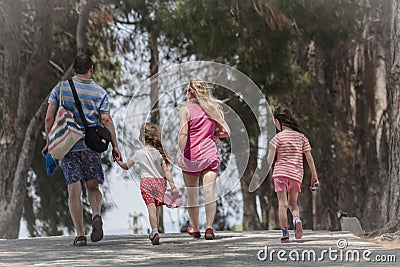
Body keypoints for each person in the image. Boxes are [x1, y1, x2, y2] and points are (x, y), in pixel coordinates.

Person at [42, 54, 121, 246]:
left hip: (67, 145)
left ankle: (80, 235)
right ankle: (95, 214)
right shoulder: (100, 92)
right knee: (93, 186)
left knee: (73, 189)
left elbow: (48, 119)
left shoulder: (60, 89)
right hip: (90, 146)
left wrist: (50, 142)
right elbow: (107, 120)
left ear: (73, 70)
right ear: (91, 69)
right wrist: (115, 146)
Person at [178, 78, 230, 240]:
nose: (187, 94)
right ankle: (209, 227)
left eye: (187, 90)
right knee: (209, 192)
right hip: (210, 155)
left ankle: (195, 228)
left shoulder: (185, 109)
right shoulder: (212, 109)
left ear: (192, 92)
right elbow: (227, 131)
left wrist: (181, 154)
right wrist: (212, 134)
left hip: (191, 156)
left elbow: (183, 133)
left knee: (192, 194)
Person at [116, 123, 179, 245]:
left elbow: (126, 167)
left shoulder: (139, 153)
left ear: (143, 138)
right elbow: (166, 171)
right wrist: (174, 187)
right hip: (160, 182)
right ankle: (157, 230)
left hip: (147, 182)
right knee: (157, 209)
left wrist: (119, 161)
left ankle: (154, 230)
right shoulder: (158, 153)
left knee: (151, 207)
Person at [266, 106, 319, 243]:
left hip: (280, 173)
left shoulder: (277, 138)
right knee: (293, 203)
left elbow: (269, 160)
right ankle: (296, 219)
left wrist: (271, 153)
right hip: (296, 175)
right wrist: (314, 176)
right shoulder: (302, 137)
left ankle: (285, 234)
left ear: (278, 121)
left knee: (282, 204)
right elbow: (309, 158)